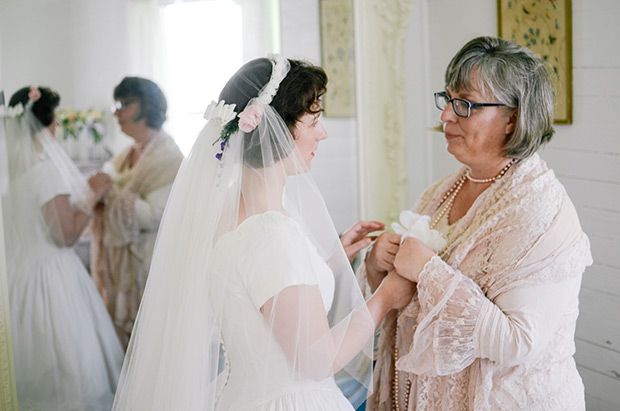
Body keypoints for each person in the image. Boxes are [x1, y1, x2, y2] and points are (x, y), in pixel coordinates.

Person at [112, 55, 415, 410]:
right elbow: (317, 360)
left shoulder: (226, 212)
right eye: (314, 119)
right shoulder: (270, 230)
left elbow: (262, 296)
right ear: (278, 128)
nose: (323, 132)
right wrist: (385, 298)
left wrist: (329, 262)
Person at [362, 36, 593, 410]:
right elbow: (402, 301)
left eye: (465, 104)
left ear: (513, 118)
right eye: (448, 99)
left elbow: (517, 342)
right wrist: (378, 264)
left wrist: (428, 271)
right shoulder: (441, 191)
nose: (446, 116)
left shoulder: (540, 209)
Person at [2, 86, 124, 410]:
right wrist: (92, 195)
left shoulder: (10, 174)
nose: (57, 127)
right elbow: (66, 235)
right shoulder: (43, 170)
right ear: (46, 124)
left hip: (20, 279)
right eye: (54, 120)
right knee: (71, 373)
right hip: (52, 281)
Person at [90, 76, 183, 348]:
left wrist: (109, 193)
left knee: (150, 343)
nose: (116, 113)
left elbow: (156, 213)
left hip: (149, 264)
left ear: (146, 106)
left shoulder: (168, 157)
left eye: (123, 104)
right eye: (114, 106)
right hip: (121, 267)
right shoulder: (126, 153)